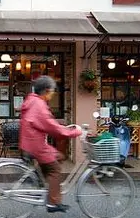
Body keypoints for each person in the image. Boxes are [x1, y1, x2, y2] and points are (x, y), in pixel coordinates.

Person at [19, 76, 82, 213]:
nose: (53, 94)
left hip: (29, 143)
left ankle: (42, 184)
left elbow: (48, 123)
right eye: (53, 91)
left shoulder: (32, 100)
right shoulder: (39, 105)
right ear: (46, 90)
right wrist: (74, 132)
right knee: (55, 169)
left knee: (59, 156)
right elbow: (51, 126)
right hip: (36, 145)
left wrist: (62, 128)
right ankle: (53, 203)